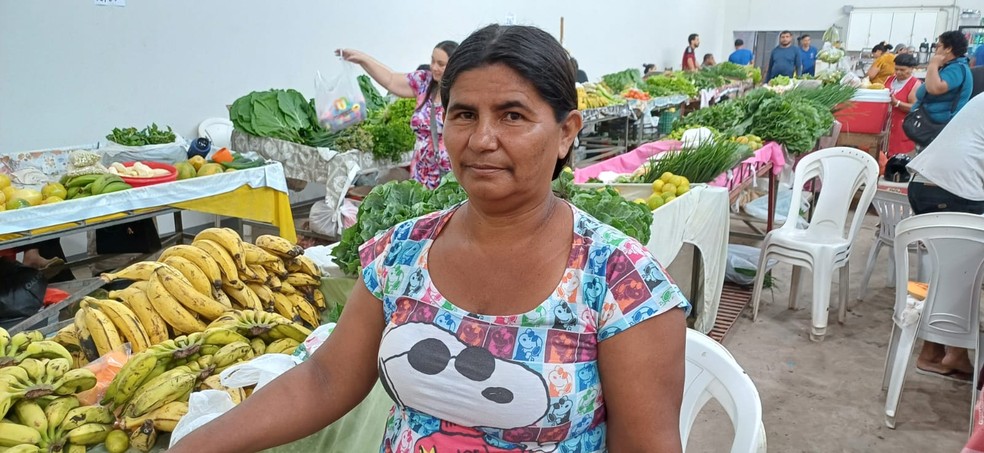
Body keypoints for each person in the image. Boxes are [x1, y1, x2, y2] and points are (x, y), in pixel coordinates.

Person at [171, 23, 689, 453]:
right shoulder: (403, 251)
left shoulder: (620, 280)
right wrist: (198, 445)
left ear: (566, 131)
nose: (482, 139)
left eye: (512, 115)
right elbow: (325, 379)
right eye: (464, 114)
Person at [906, 93, 984, 382]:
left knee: (948, 273)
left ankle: (941, 352)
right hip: (954, 189)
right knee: (962, 274)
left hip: (925, 185)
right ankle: (945, 352)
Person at [336, 41, 459, 189]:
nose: (434, 67)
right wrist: (362, 59)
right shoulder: (424, 83)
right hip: (420, 175)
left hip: (448, 177)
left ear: (453, 65)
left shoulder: (461, 92)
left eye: (441, 64)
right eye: (432, 61)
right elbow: (390, 79)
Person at [912, 31, 973, 128]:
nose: (935, 50)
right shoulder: (949, 66)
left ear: (948, 48)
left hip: (939, 127)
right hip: (928, 123)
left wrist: (933, 64)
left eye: (938, 46)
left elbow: (934, 88)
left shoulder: (957, 69)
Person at [885, 54, 922, 157]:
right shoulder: (889, 80)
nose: (898, 72)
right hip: (886, 125)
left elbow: (915, 107)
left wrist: (897, 103)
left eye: (902, 70)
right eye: (896, 69)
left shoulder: (915, 84)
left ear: (911, 69)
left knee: (899, 158)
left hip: (902, 127)